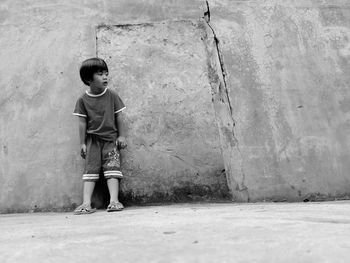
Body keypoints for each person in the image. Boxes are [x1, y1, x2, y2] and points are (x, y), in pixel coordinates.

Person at [73, 57, 127, 214]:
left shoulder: (112, 95)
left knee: (112, 170)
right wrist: (82, 143)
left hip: (111, 140)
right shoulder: (83, 100)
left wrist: (121, 136)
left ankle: (114, 201)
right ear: (89, 79)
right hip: (93, 142)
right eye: (100, 74)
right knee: (90, 171)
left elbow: (119, 117)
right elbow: (82, 123)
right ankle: (86, 203)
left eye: (106, 73)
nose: (105, 77)